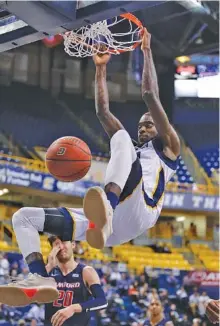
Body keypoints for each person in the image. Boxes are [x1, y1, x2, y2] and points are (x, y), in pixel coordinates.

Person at [0, 28, 180, 305]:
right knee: (23, 217)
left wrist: (146, 51)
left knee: (120, 138)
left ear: (162, 125)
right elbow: (102, 112)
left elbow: (149, 95)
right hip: (108, 230)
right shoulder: (131, 148)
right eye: (141, 124)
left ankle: (106, 206)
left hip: (139, 210)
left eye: (149, 123)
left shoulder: (169, 147)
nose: (143, 127)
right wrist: (100, 68)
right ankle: (39, 277)